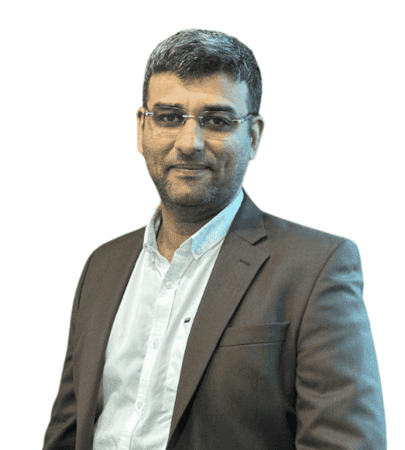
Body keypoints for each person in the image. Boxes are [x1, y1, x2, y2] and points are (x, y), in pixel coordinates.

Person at [43, 29, 386, 450]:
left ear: (253, 136)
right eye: (169, 117)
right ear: (142, 128)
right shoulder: (103, 266)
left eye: (218, 121)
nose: (190, 143)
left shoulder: (315, 269)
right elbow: (66, 432)